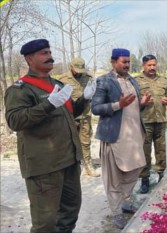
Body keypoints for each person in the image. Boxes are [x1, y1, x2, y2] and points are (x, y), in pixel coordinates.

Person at [4, 39, 95, 233]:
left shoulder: (57, 85)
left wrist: (84, 99)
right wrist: (48, 104)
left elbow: (70, 112)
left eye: (49, 52)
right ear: (30, 59)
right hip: (44, 166)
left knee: (70, 211)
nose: (49, 56)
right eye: (43, 53)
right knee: (45, 223)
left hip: (69, 160)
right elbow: (15, 121)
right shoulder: (20, 89)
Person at [91, 48, 152, 229]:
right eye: (123, 62)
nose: (126, 65)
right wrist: (118, 104)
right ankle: (116, 212)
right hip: (115, 137)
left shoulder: (132, 80)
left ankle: (125, 202)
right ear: (113, 62)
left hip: (134, 136)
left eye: (128, 62)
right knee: (114, 177)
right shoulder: (104, 81)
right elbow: (95, 108)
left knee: (134, 170)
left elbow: (132, 109)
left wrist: (141, 104)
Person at [136, 54, 167, 194]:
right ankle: (144, 179)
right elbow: (132, 100)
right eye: (149, 65)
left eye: (154, 65)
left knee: (161, 150)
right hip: (145, 121)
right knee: (144, 151)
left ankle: (161, 176)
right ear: (143, 66)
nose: (152, 67)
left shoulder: (163, 80)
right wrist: (142, 102)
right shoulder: (136, 81)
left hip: (160, 120)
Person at [58, 57, 99, 177]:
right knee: (69, 142)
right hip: (70, 116)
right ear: (71, 67)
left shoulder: (89, 78)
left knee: (85, 142)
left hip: (85, 115)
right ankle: (73, 166)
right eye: (76, 70)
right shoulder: (63, 80)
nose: (78, 73)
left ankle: (88, 166)